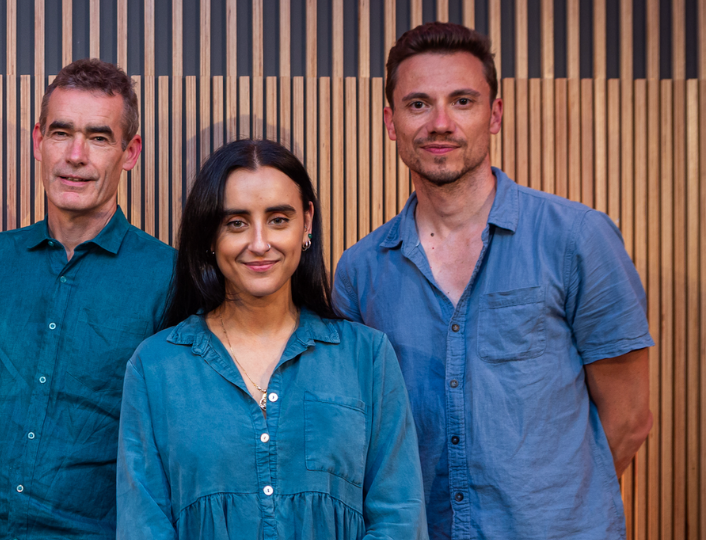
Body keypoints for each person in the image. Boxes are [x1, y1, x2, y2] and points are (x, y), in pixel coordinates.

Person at [333, 22, 654, 539]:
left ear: (495, 114)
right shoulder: (360, 270)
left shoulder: (577, 240)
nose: (440, 123)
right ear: (391, 122)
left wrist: (553, 512)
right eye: (418, 104)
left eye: (462, 101)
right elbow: (360, 436)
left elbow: (631, 417)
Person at [116, 139, 426, 539]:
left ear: (306, 223)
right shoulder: (156, 367)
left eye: (279, 219)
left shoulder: (367, 358)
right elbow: (144, 524)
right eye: (236, 223)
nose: (260, 243)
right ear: (209, 235)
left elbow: (399, 517)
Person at [0, 58, 175, 538]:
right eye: (61, 133)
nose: (76, 155)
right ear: (38, 141)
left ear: (129, 152)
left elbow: (171, 446)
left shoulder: (167, 276)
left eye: (98, 137)